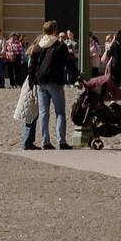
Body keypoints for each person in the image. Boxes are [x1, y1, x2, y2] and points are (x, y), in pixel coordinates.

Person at [23, 21, 76, 152]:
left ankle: (45, 141)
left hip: (40, 82)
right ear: (55, 32)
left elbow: (32, 68)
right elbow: (68, 63)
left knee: (43, 113)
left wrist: (31, 86)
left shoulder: (37, 47)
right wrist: (78, 76)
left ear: (43, 31)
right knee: (60, 112)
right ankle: (61, 141)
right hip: (55, 82)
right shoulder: (59, 46)